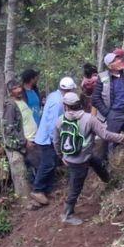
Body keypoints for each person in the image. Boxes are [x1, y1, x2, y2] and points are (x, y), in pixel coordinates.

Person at [55, 92, 124, 225]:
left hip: (72, 158)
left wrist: (61, 156)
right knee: (76, 187)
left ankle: (109, 181)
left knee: (96, 162)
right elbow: (105, 135)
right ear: (79, 104)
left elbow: (56, 141)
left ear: (66, 106)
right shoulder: (89, 119)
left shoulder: (60, 120)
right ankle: (67, 215)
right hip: (81, 160)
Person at [32, 76, 77, 204]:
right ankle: (37, 190)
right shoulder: (59, 103)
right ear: (69, 90)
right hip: (47, 139)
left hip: (45, 137)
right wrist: (55, 141)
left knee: (51, 164)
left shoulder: (53, 95)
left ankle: (46, 191)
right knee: (48, 164)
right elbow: (52, 125)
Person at [92, 52, 124, 158]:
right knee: (112, 143)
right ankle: (110, 165)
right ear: (110, 66)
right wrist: (107, 113)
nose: (119, 61)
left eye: (119, 59)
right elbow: (95, 99)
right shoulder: (103, 78)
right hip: (114, 115)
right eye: (115, 60)